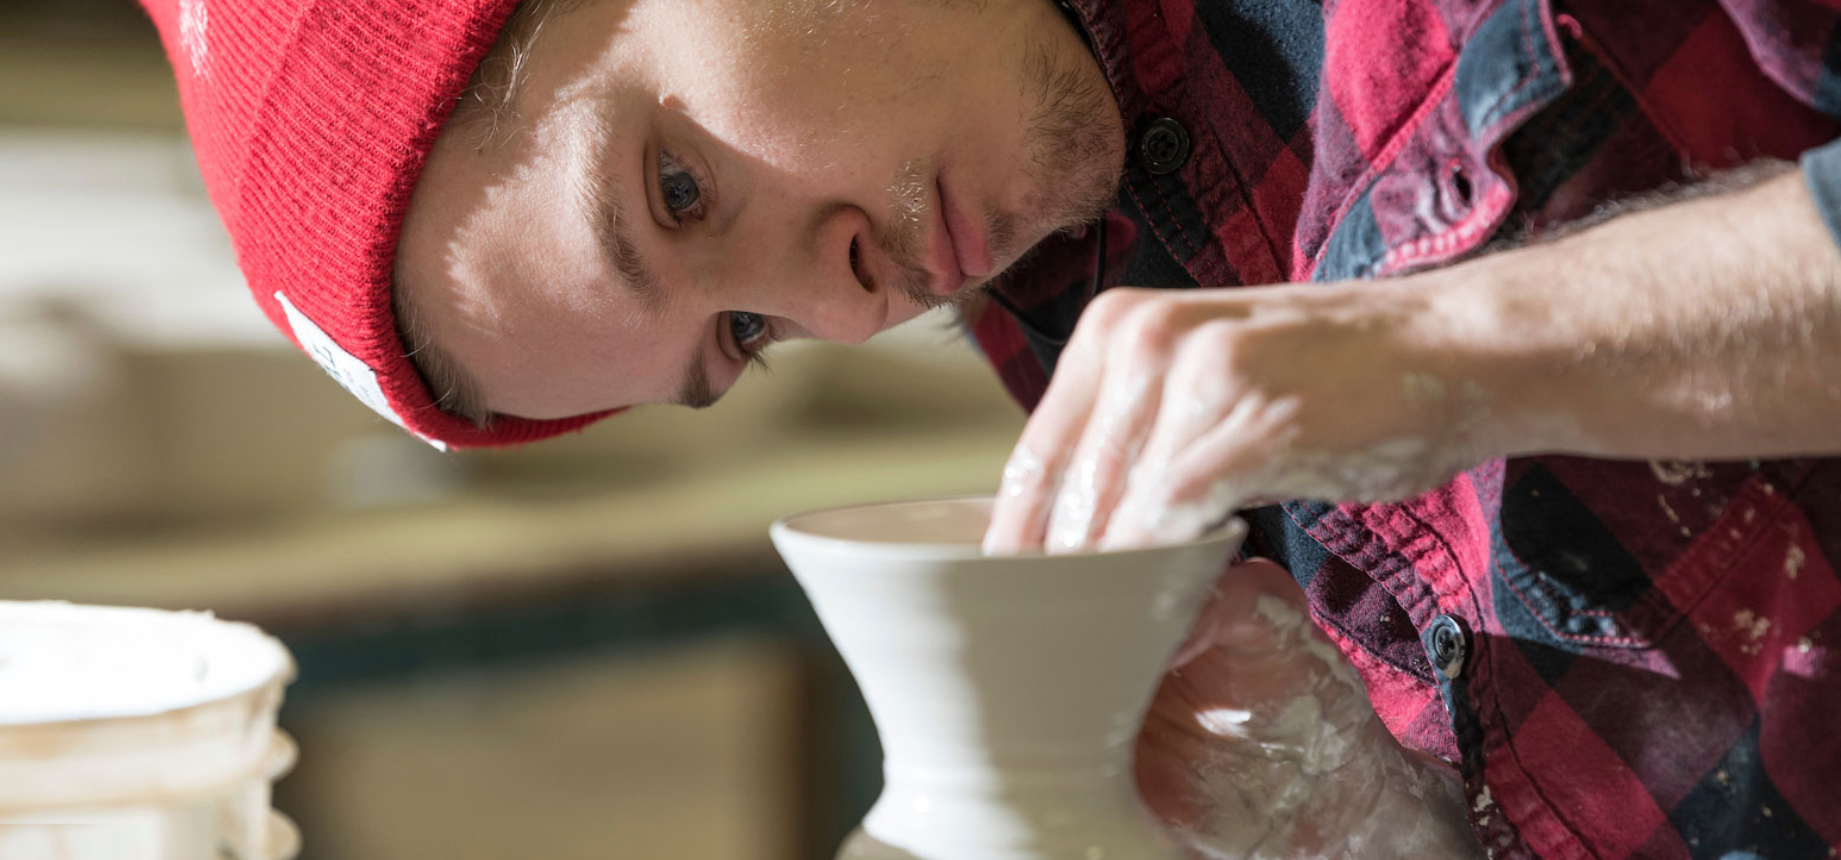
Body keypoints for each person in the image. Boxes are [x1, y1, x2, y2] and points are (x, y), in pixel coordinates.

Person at [137, 0, 1841, 856]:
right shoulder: (1044, 240)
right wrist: (1352, 793)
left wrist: (1460, 348)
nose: (852, 302)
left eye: (676, 187)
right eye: (742, 335)